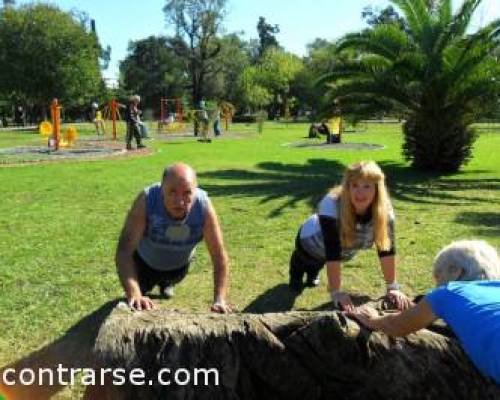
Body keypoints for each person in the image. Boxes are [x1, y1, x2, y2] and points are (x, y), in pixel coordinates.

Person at [350, 240, 500, 385]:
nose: (435, 286)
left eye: (438, 276)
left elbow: (397, 325)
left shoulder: (448, 292)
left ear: (456, 273)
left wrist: (373, 319)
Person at [289, 161, 411, 311]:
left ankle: (313, 273)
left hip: (343, 249)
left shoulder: (385, 210)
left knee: (318, 264)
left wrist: (392, 287)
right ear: (347, 187)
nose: (360, 193)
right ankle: (295, 275)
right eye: (355, 185)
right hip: (311, 241)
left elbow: (385, 249)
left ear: (377, 189)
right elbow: (332, 250)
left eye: (367, 186)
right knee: (304, 261)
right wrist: (336, 292)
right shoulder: (331, 203)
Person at [115, 162, 232, 313]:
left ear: (196, 191)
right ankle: (148, 287)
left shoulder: (203, 206)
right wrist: (135, 294)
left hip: (178, 269)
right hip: (144, 266)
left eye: (187, 193)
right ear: (161, 189)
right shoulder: (147, 200)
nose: (180, 202)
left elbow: (219, 256)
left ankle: (167, 284)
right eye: (172, 192)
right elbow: (124, 251)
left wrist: (220, 300)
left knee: (169, 280)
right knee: (139, 302)